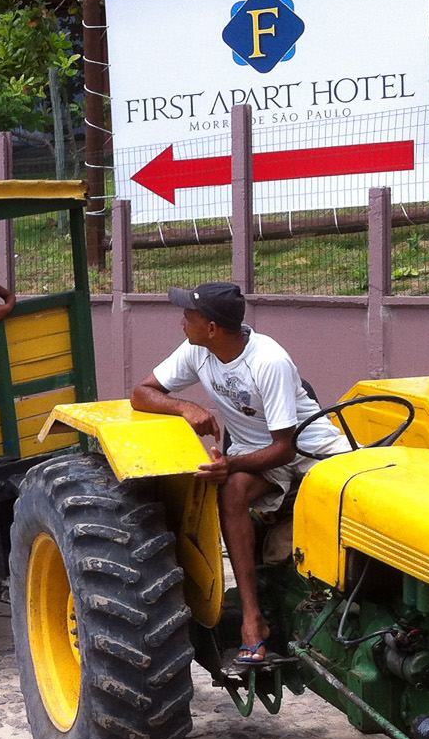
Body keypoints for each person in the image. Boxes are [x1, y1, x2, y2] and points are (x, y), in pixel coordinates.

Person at [130, 280, 348, 668]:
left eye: (188, 315)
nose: (182, 321)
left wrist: (230, 462)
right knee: (231, 491)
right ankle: (253, 620)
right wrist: (184, 407)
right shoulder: (198, 350)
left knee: (355, 505)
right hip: (256, 451)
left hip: (309, 451)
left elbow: (286, 447)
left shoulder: (269, 361)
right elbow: (141, 393)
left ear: (212, 327)